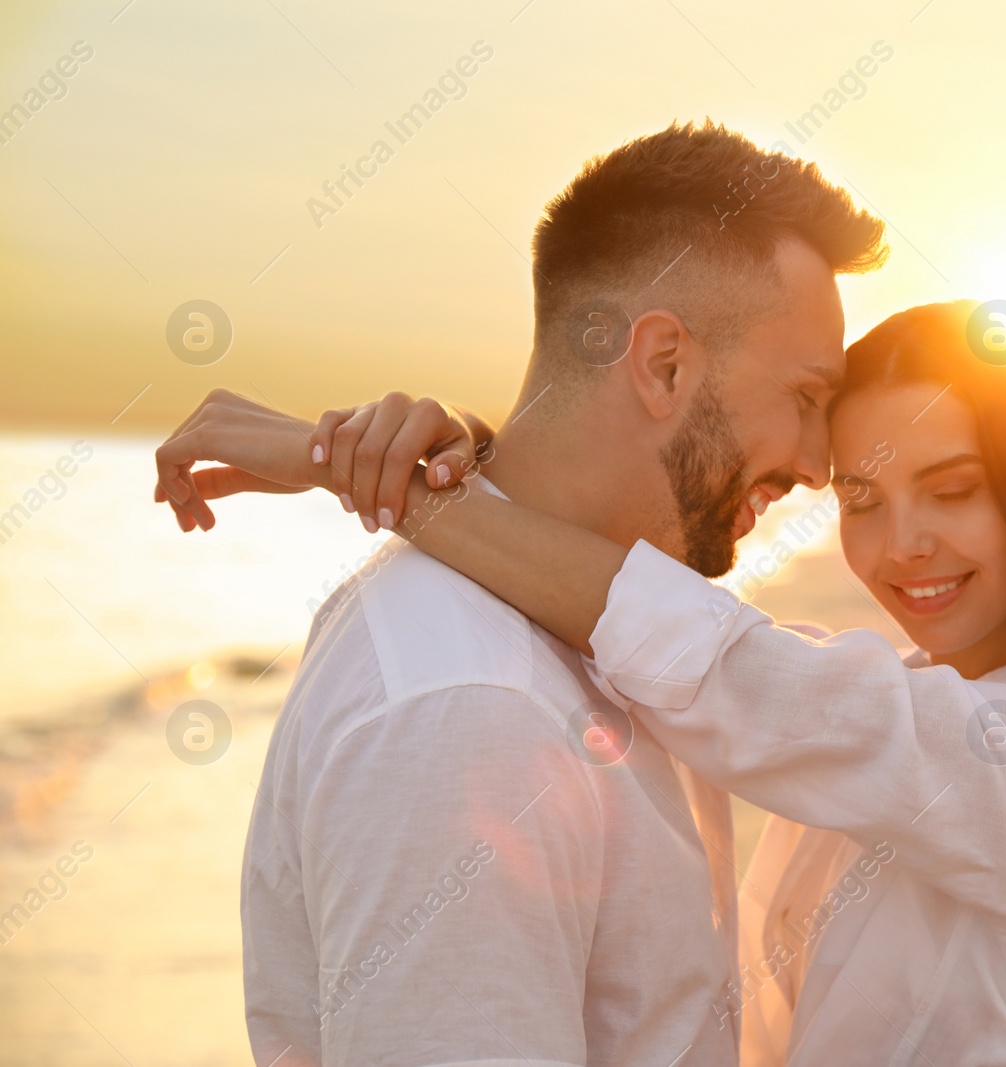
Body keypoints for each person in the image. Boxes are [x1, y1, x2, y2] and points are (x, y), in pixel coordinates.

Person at [160, 299, 1006, 1065]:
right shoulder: (877, 707)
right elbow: (690, 651)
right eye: (863, 497)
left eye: (955, 489)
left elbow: (718, 664)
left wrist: (363, 472)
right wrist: (469, 456)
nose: (901, 545)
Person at [153, 121, 888, 1066]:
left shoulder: (610, 631)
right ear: (663, 364)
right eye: (803, 396)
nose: (820, 466)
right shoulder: (473, 711)